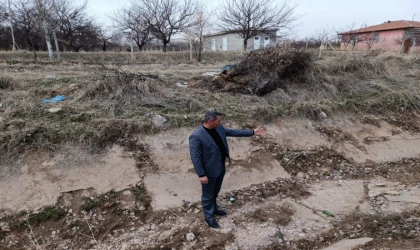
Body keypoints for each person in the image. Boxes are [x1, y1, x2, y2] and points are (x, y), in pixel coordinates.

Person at [189, 109, 264, 228]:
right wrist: (201, 174)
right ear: (210, 121)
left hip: (220, 166)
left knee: (215, 191)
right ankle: (209, 217)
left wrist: (252, 132)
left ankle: (214, 209)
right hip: (208, 172)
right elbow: (195, 158)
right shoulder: (196, 136)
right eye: (218, 120)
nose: (221, 122)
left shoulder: (218, 128)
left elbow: (234, 132)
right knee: (207, 195)